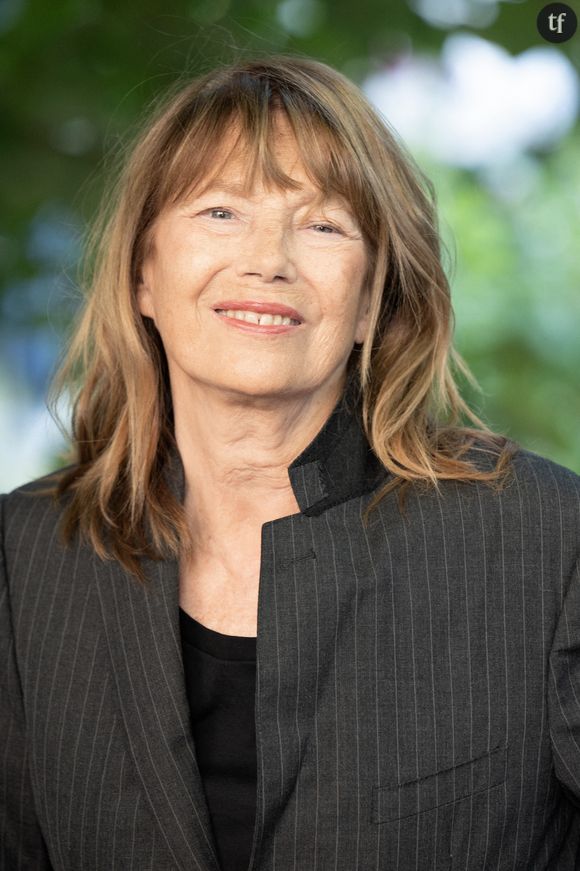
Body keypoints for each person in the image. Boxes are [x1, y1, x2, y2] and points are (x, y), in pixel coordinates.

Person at [1, 52, 579, 871]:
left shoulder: (547, 539)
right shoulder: (22, 560)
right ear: (143, 274)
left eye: (323, 224)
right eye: (220, 212)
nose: (268, 258)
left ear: (370, 300)